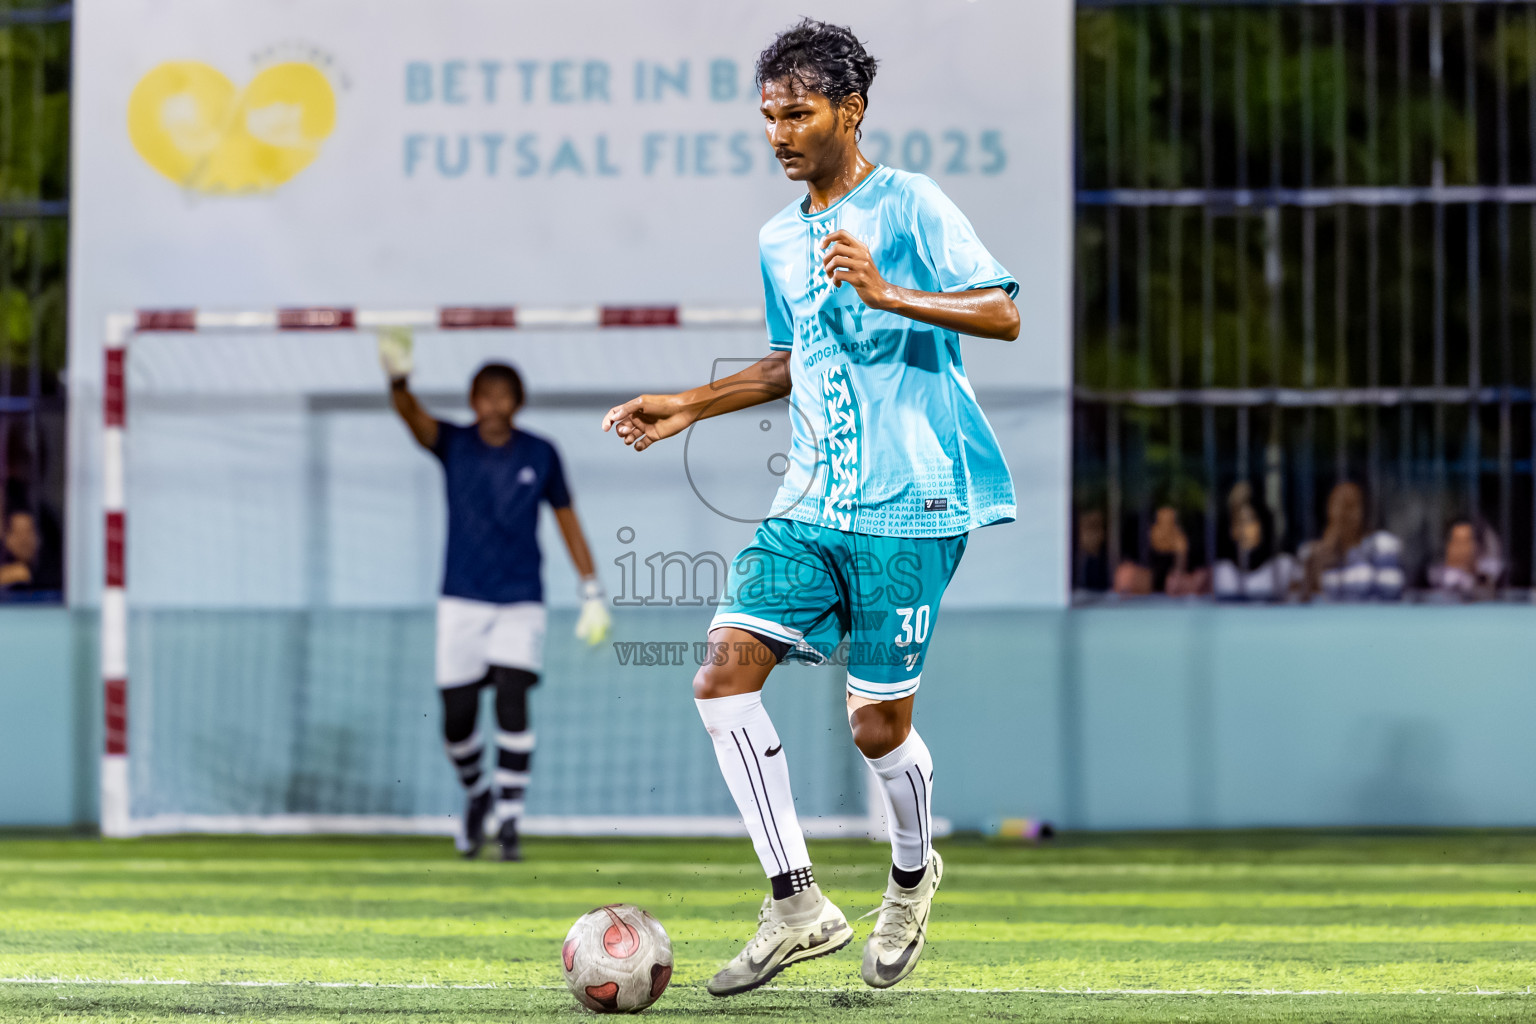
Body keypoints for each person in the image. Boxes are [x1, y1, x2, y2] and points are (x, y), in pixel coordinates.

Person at [602, 19, 1020, 994]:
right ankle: (798, 902)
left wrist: (891, 290)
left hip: (912, 502)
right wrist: (688, 405)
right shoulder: (779, 237)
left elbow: (1002, 309)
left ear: (852, 109)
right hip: (811, 503)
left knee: (876, 728)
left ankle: (911, 875)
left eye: (798, 114)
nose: (779, 133)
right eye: (768, 117)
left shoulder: (911, 204)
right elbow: (799, 358)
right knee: (720, 675)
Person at [379, 329, 610, 861]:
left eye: (504, 394)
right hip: (461, 598)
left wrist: (591, 590)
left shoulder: (541, 453)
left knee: (512, 696)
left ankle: (509, 821)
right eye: (485, 394)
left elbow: (568, 522)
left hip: (520, 598)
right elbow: (411, 416)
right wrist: (397, 378)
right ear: (473, 402)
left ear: (517, 402)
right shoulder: (454, 444)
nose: (494, 404)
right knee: (457, 720)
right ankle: (478, 794)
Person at [1299, 481, 1405, 601]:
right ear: (1329, 509)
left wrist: (1348, 559)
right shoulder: (1313, 552)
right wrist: (1318, 564)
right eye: (1339, 506)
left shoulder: (1381, 545)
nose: (1345, 514)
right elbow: (1304, 599)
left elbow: (1392, 588)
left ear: (1363, 511)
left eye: (1351, 506)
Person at [1213, 484, 1298, 601]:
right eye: (1237, 522)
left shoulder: (1282, 567)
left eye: (1249, 521)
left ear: (1262, 524)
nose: (1243, 530)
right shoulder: (1222, 572)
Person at [1426, 518, 1503, 600]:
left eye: (1466, 542)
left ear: (1478, 545)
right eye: (1457, 542)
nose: (1460, 549)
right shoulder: (1436, 574)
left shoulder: (1489, 570)